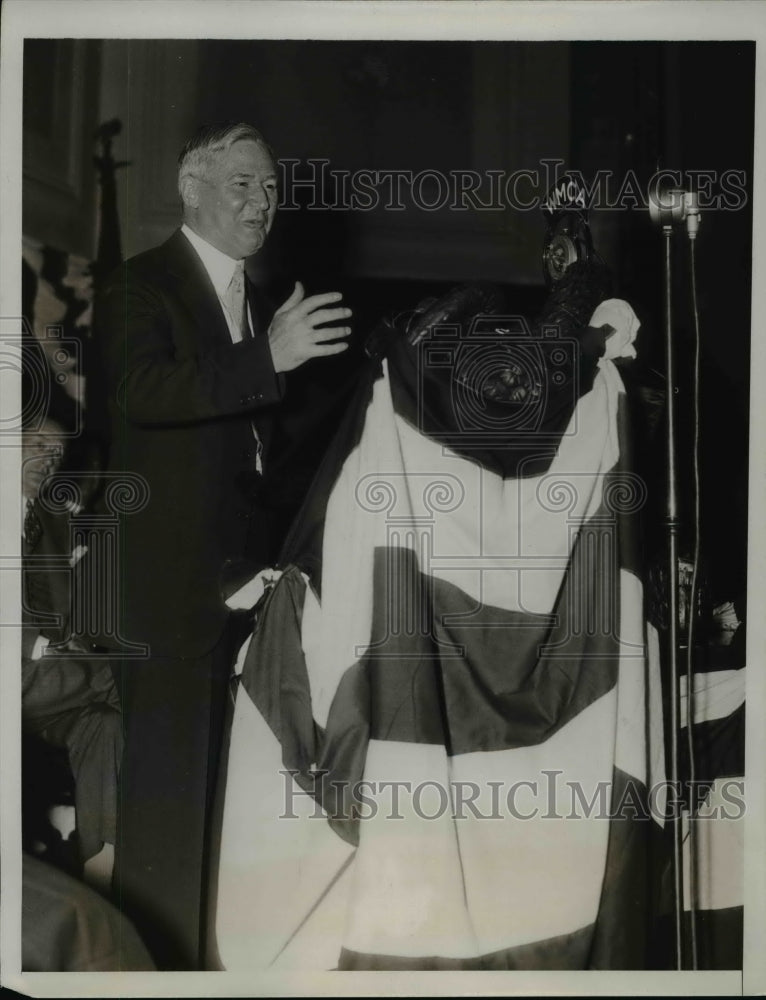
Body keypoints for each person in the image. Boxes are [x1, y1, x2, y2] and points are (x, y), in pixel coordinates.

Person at [93, 121, 352, 969]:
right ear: (191, 188)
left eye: (271, 187)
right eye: (243, 183)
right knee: (167, 822)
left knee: (223, 819)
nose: (262, 202)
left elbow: (251, 455)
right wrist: (266, 357)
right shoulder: (142, 284)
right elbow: (139, 394)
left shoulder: (255, 302)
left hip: (238, 601)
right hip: (166, 603)